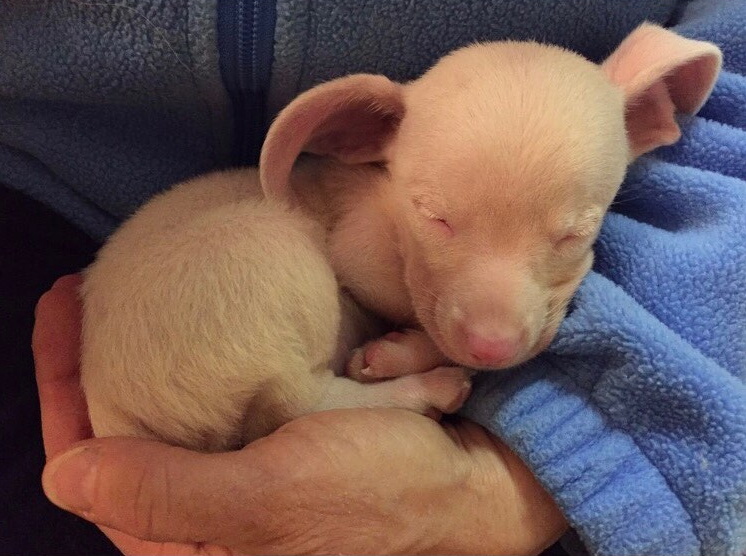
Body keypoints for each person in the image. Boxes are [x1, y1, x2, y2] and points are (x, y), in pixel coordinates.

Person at [3, 1, 745, 554]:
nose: (493, 334)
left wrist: (534, 474)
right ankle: (312, 399)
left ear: (649, 114)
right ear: (360, 133)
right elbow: (366, 285)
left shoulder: (600, 129)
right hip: (88, 261)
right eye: (440, 222)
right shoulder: (351, 211)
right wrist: (415, 375)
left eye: (570, 236)